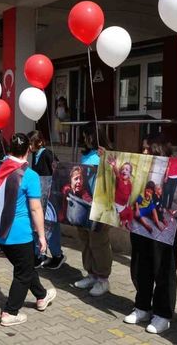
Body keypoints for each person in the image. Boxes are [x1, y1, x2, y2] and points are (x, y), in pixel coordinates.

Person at [123, 134, 177, 334]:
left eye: (148, 148)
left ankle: (162, 314)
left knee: (163, 271)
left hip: (163, 235)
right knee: (140, 268)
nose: (144, 152)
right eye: (143, 148)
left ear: (159, 148)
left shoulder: (175, 165)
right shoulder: (139, 164)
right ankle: (142, 306)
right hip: (139, 228)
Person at [0, 133, 57, 327]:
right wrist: (42, 236)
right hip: (19, 233)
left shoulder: (2, 167)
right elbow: (36, 208)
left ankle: (42, 296)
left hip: (1, 232)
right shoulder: (29, 175)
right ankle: (10, 312)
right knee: (23, 273)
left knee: (25, 266)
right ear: (28, 150)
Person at [72, 125, 113, 297]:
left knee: (99, 242)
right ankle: (91, 274)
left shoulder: (107, 155)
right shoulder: (86, 155)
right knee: (85, 240)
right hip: (84, 204)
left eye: (87, 136)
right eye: (84, 136)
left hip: (100, 205)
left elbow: (113, 176)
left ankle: (103, 279)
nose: (85, 139)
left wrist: (107, 159)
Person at [27, 130, 65, 270]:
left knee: (50, 226)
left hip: (49, 198)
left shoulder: (47, 154)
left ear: (40, 142)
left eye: (32, 143)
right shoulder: (35, 155)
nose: (30, 146)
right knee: (37, 226)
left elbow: (58, 170)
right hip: (39, 197)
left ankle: (57, 255)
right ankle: (39, 254)